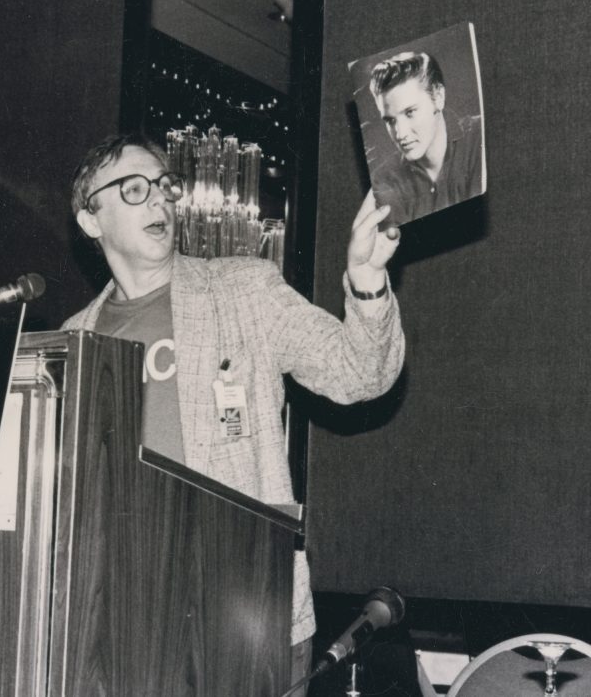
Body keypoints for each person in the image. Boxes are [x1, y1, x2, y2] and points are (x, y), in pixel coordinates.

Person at [62, 133, 406, 676]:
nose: (159, 200)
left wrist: (367, 283)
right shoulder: (74, 339)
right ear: (91, 220)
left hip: (248, 617)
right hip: (126, 622)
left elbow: (360, 375)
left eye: (164, 185)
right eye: (133, 189)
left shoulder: (244, 291)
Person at [368, 51, 484, 226]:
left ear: (438, 98)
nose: (400, 134)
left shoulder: (480, 136)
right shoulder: (384, 180)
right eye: (390, 120)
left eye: (410, 113)